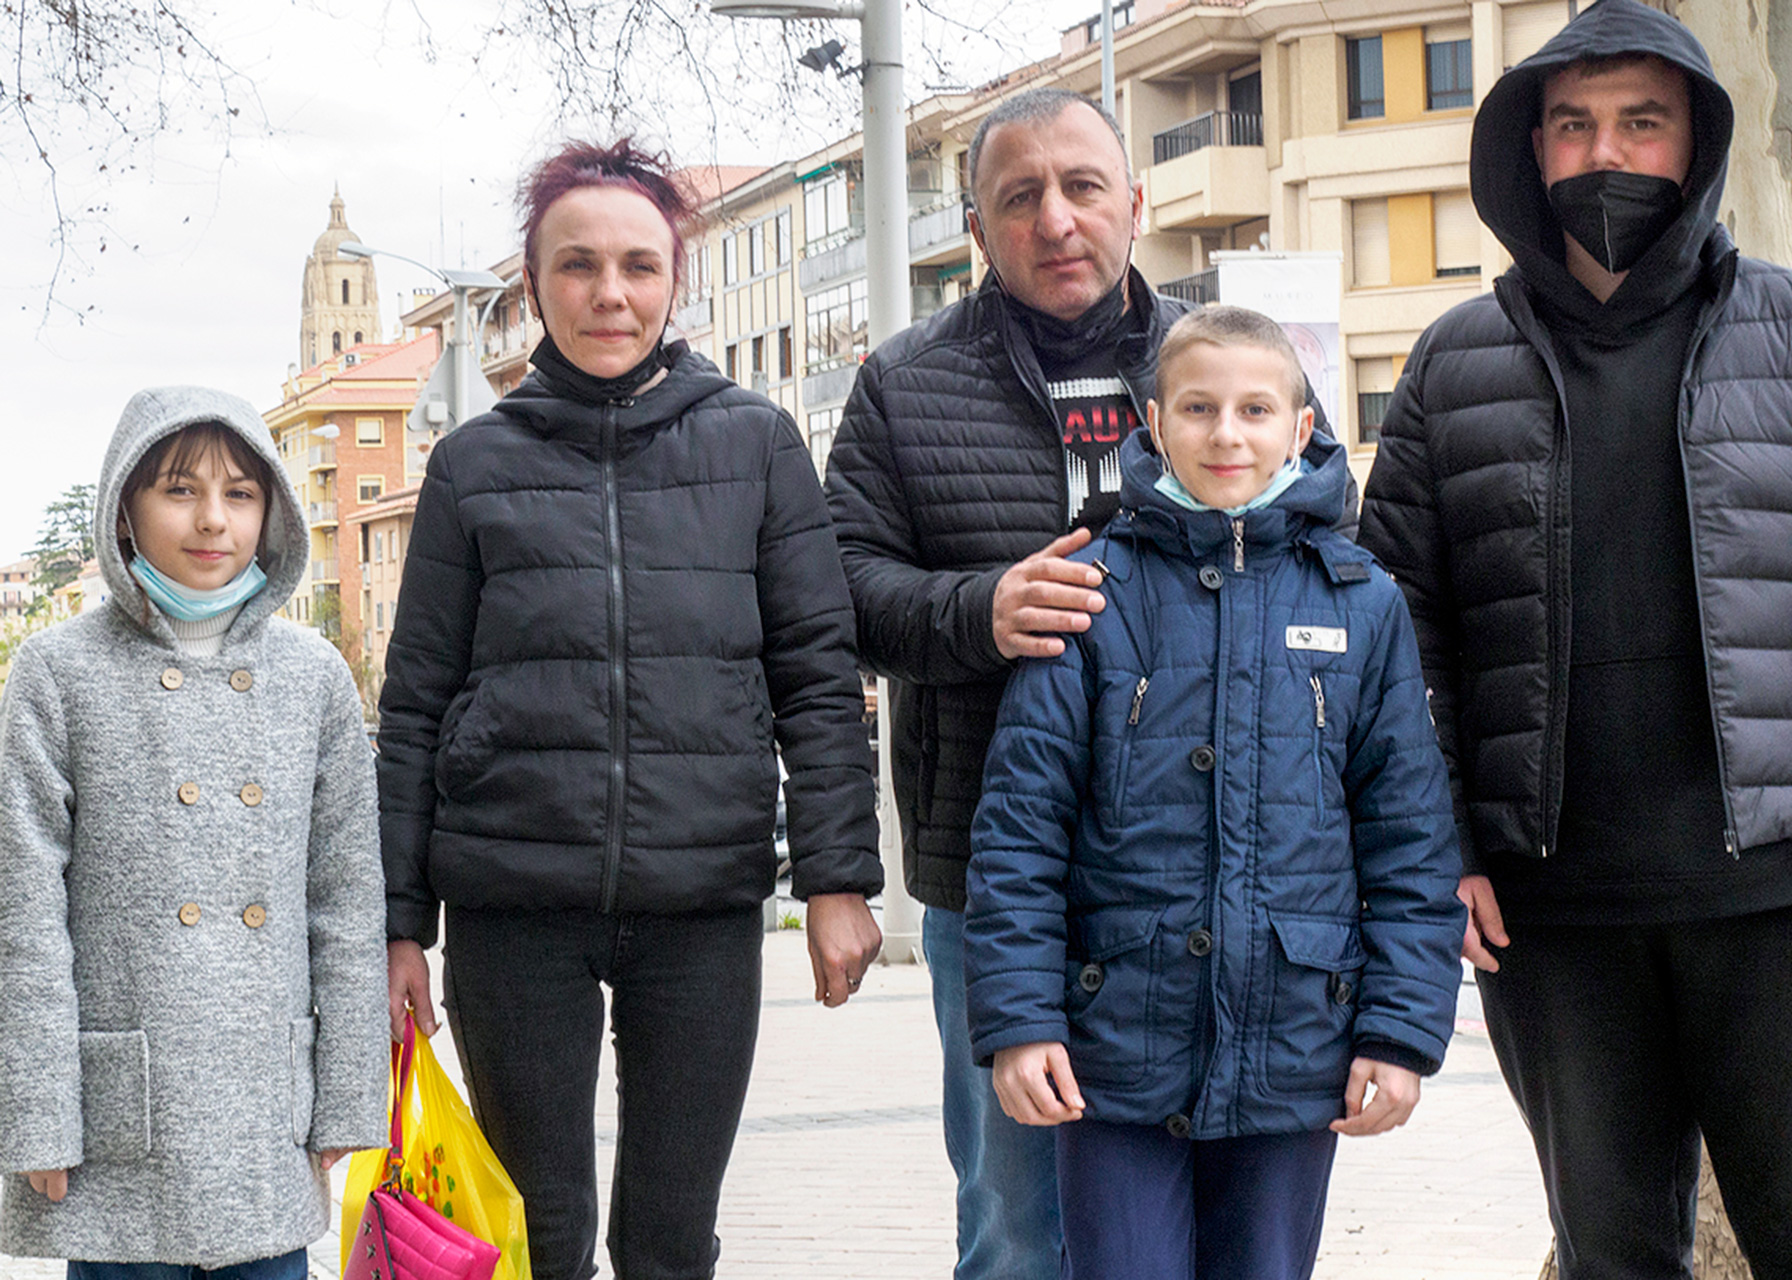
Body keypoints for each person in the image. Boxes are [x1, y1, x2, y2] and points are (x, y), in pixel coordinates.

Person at [1357, 3, 1792, 1276]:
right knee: (1608, 1253)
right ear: (1531, 149)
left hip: (1788, 897)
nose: (1605, 153)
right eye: (1574, 124)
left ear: (1698, 143)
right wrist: (1436, 849)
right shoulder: (1450, 368)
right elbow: (1396, 642)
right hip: (1553, 917)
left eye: (1642, 122)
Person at [826, 87, 1351, 1279]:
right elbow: (838, 591)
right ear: (975, 227)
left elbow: (1331, 546)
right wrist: (979, 610)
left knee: (1215, 1228)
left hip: (1223, 871)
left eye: (1083, 187)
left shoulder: (1236, 366)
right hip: (995, 872)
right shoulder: (904, 385)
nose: (1056, 218)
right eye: (1020, 197)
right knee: (1017, 1219)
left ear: (1136, 201)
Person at [376, 139, 883, 1280]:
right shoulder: (471, 465)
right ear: (534, 283)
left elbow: (816, 669)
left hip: (700, 898)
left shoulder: (756, 444)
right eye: (580, 265)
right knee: (539, 1231)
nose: (612, 293)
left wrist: (838, 878)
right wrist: (399, 924)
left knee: (666, 1235)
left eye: (640, 266)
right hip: (514, 905)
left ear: (675, 280)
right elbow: (414, 704)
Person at [962, 306, 1464, 1280]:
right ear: (1153, 421)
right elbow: (1021, 833)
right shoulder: (1090, 593)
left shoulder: (1361, 603)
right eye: (1198, 407)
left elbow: (1409, 840)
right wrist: (1022, 1020)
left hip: (1297, 1046)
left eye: (1253, 408)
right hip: (1114, 1053)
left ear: (1300, 425)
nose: (1226, 432)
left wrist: (1399, 1031)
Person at [0, 387, 389, 1276]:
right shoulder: (57, 674)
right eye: (179, 489)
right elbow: (23, 919)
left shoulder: (314, 677)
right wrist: (39, 1113)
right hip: (121, 1123)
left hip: (263, 1107)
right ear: (125, 507)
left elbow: (345, 900)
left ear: (273, 510)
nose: (214, 519)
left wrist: (346, 1101)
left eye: (241, 492)